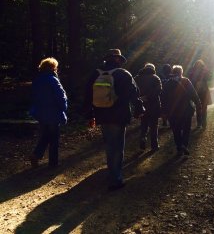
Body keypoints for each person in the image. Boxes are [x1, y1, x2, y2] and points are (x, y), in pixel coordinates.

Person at [83, 49, 144, 191]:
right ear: (118, 60)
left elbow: (87, 96)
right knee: (117, 147)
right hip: (119, 115)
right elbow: (134, 94)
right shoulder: (123, 74)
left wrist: (90, 115)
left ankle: (113, 173)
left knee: (110, 145)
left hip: (101, 115)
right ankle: (115, 178)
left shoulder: (96, 74)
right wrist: (139, 110)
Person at [29, 57, 68, 168]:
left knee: (46, 136)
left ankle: (36, 155)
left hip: (41, 113)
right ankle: (53, 163)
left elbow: (33, 96)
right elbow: (61, 96)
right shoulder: (53, 79)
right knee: (54, 138)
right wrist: (63, 108)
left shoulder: (37, 80)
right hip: (53, 112)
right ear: (52, 67)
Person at [161, 65, 201, 156]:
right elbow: (193, 94)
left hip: (172, 111)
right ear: (181, 72)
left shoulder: (167, 83)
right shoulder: (186, 81)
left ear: (173, 72)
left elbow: (163, 98)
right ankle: (184, 145)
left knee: (176, 130)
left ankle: (179, 147)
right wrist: (198, 104)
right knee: (186, 129)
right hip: (186, 110)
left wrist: (163, 111)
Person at [134, 63, 162, 151]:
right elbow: (159, 91)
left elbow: (133, 90)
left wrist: (140, 98)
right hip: (154, 105)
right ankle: (154, 145)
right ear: (153, 69)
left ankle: (143, 138)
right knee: (154, 125)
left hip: (141, 105)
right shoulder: (156, 78)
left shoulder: (137, 78)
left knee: (144, 124)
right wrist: (148, 97)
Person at [188, 59, 211, 129]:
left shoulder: (192, 72)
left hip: (196, 91)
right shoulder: (204, 71)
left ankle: (199, 123)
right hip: (204, 91)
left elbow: (190, 80)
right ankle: (204, 123)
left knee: (198, 107)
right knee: (204, 107)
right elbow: (209, 77)